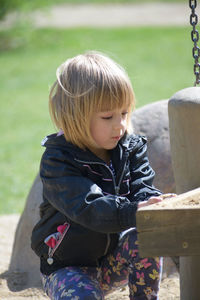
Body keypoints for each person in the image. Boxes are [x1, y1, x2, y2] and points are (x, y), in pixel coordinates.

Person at [31, 51, 165, 300]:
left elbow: (143, 188)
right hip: (66, 267)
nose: (120, 125)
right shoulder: (58, 160)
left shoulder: (130, 148)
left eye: (124, 113)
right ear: (76, 116)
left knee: (146, 238)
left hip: (112, 262)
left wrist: (154, 205)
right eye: (108, 116)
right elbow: (89, 207)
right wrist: (134, 210)